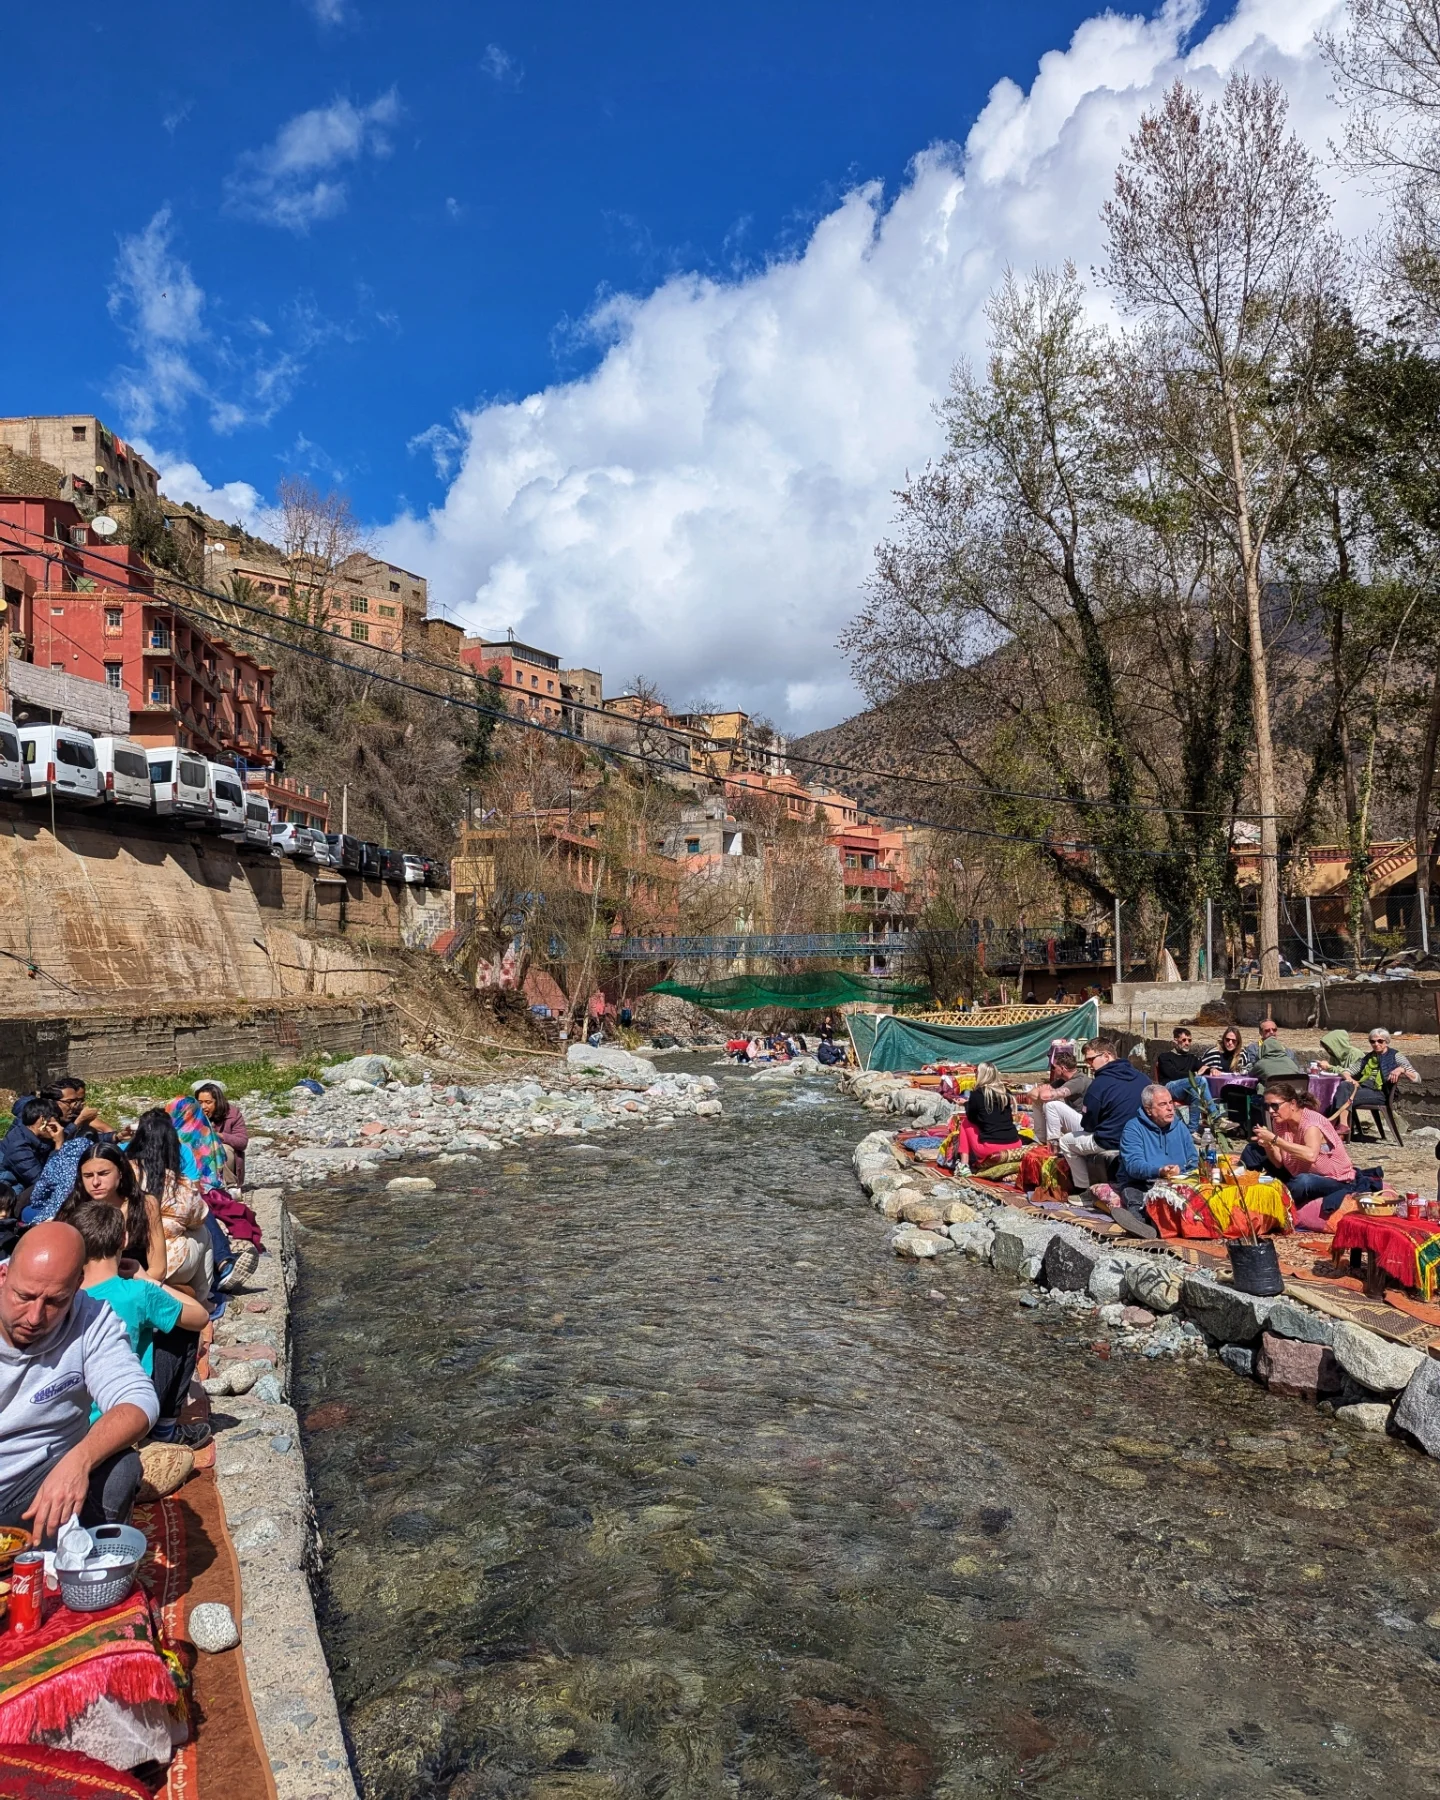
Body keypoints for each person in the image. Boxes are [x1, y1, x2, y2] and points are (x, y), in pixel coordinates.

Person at [0, 1222, 157, 1541]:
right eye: (24, 1297)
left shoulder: (92, 1317)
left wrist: (80, 1459)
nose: (34, 1317)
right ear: (3, 1277)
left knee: (119, 1468)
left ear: (77, 1287)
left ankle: (75, 1568)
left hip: (37, 1489)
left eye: (55, 1301)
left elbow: (138, 1400)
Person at [71, 1201, 209, 1427]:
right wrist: (147, 1279)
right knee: (180, 1328)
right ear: (123, 1240)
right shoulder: (137, 1293)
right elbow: (200, 1317)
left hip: (80, 1416)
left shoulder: (67, 1293)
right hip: (129, 1410)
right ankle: (166, 1427)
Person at [128, 1110, 213, 1301]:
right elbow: (199, 1217)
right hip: (162, 1265)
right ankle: (202, 1299)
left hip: (125, 1262)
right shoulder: (178, 1184)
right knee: (202, 1232)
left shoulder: (122, 1172)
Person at [1250, 1080, 1360, 1229]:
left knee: (1303, 1182)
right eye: (1267, 1106)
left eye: (1275, 1105)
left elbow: (1311, 1155)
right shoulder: (1280, 1121)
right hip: (1299, 1170)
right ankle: (1248, 1192)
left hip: (1334, 1179)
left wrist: (1275, 1140)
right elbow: (1279, 1162)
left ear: (1293, 1104)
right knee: (1252, 1150)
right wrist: (1268, 1145)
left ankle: (1275, 1205)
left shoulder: (1311, 1123)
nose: (1270, 1111)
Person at [62, 1144, 167, 1283]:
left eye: (103, 1173)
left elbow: (158, 1269)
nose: (95, 1182)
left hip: (135, 1288)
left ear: (120, 1172)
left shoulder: (145, 1205)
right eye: (87, 1176)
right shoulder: (73, 1209)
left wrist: (125, 1293)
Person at [1057, 1036, 1149, 1189]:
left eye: (1090, 1060)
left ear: (1106, 1056)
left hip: (1111, 1140)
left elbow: (1089, 1124)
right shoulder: (1143, 1079)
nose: (1088, 1065)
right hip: (1140, 1138)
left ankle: (1083, 1189)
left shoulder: (1099, 1084)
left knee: (1066, 1142)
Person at [1118, 1084, 1199, 1201]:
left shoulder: (1180, 1127)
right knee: (1134, 1196)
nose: (1170, 1108)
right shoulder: (1133, 1128)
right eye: (1163, 1104)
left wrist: (1181, 1172)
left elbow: (1193, 1160)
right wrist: (1159, 1171)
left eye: (1170, 1102)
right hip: (1144, 1183)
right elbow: (1133, 1165)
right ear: (1148, 1110)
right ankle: (1137, 1218)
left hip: (1177, 1183)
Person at [1347, 1027, 1421, 1134]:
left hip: (1381, 1092)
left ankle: (1338, 1131)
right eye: (1373, 1041)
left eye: (1380, 1041)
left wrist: (1402, 1069)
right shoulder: (1368, 1057)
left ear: (1386, 1042)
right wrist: (1349, 1078)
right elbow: (1348, 1070)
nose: (1376, 1044)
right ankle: (1341, 1128)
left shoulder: (1395, 1056)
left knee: (1346, 1097)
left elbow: (1417, 1078)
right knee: (1342, 1089)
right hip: (1364, 1088)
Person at [952, 1064, 1023, 1168]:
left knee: (966, 1123)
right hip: (1015, 1143)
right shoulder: (1005, 1093)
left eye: (976, 1072)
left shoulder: (977, 1094)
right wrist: (969, 1104)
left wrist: (967, 1104)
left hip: (991, 1148)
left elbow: (972, 1117)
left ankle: (964, 1164)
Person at [1025, 1050, 1091, 1146]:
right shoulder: (1062, 1080)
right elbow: (1031, 1094)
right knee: (1038, 1102)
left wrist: (1043, 1092)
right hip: (1074, 1121)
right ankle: (1041, 1139)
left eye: (1053, 1067)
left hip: (1084, 1125)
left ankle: (1053, 1143)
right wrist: (1042, 1093)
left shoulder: (1078, 1081)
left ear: (1062, 1068)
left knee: (1051, 1105)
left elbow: (1044, 1096)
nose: (1052, 1070)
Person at [0, 1100, 64, 1198]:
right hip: (7, 1195)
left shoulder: (30, 1136)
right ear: (43, 1121)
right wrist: (59, 1145)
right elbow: (43, 1182)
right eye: (57, 1120)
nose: (59, 1126)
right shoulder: (19, 1147)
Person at [193, 1081, 249, 1187]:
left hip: (225, 1160)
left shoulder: (232, 1114)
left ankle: (230, 1185)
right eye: (200, 1102)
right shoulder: (192, 1114)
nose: (203, 1106)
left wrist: (218, 1136)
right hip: (200, 1159)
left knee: (223, 1149)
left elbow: (242, 1142)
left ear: (217, 1102)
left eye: (208, 1102)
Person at [1155, 1025, 1204, 1128]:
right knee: (1200, 1080)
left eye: (1189, 1040)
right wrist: (1194, 1075)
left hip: (1185, 1090)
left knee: (1196, 1093)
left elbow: (1203, 1068)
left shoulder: (1192, 1058)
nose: (1187, 1043)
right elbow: (1174, 1074)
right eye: (1184, 1040)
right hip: (1169, 1087)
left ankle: (1192, 1129)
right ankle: (1215, 1115)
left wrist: (1211, 1068)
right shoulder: (1165, 1057)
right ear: (1175, 1041)